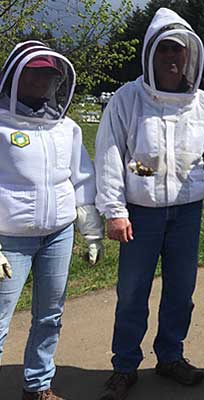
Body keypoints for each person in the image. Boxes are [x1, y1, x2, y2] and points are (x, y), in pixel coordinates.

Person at [94, 8, 204, 400]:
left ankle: (171, 357)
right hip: (140, 214)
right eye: (165, 49)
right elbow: (108, 155)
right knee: (133, 291)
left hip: (187, 213)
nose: (172, 57)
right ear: (151, 53)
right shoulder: (127, 99)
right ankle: (124, 366)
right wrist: (114, 211)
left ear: (190, 56)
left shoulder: (203, 104)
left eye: (179, 50)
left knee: (180, 290)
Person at [0, 41, 104, 400]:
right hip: (8, 240)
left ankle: (38, 386)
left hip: (58, 235)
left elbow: (82, 178)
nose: (44, 81)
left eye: (50, 75)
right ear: (15, 76)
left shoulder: (66, 128)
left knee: (50, 315)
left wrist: (91, 233)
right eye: (35, 73)